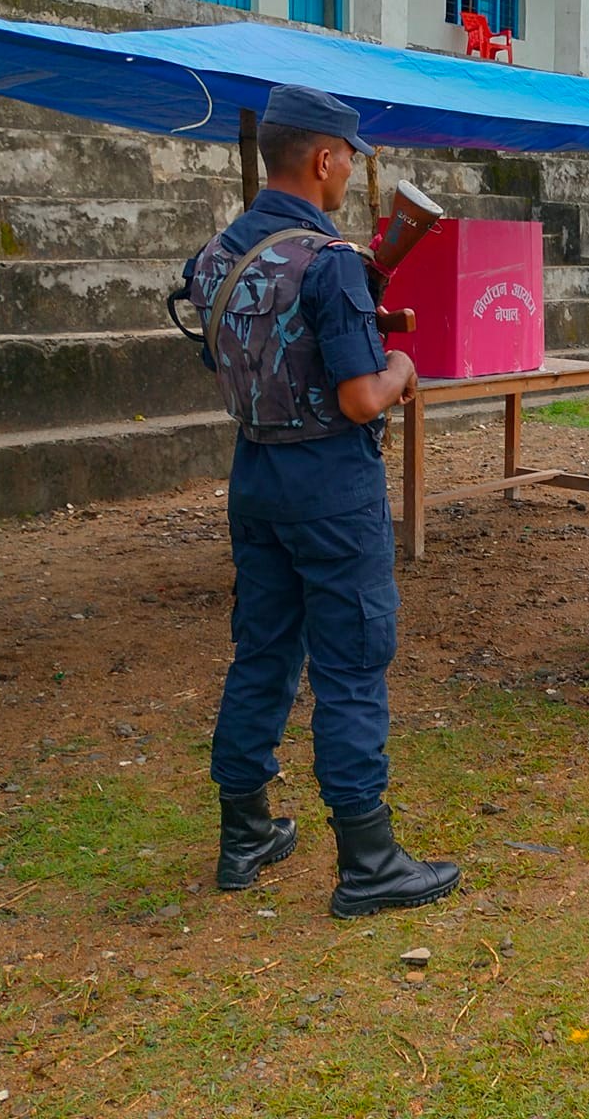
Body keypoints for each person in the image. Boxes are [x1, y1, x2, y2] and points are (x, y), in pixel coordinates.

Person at [182, 84, 460, 916]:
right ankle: (368, 859)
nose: (347, 179)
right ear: (325, 158)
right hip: (330, 484)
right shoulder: (329, 259)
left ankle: (245, 833)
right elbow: (359, 399)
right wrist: (404, 370)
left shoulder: (219, 253)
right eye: (348, 164)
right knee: (350, 659)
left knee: (263, 649)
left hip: (255, 473)